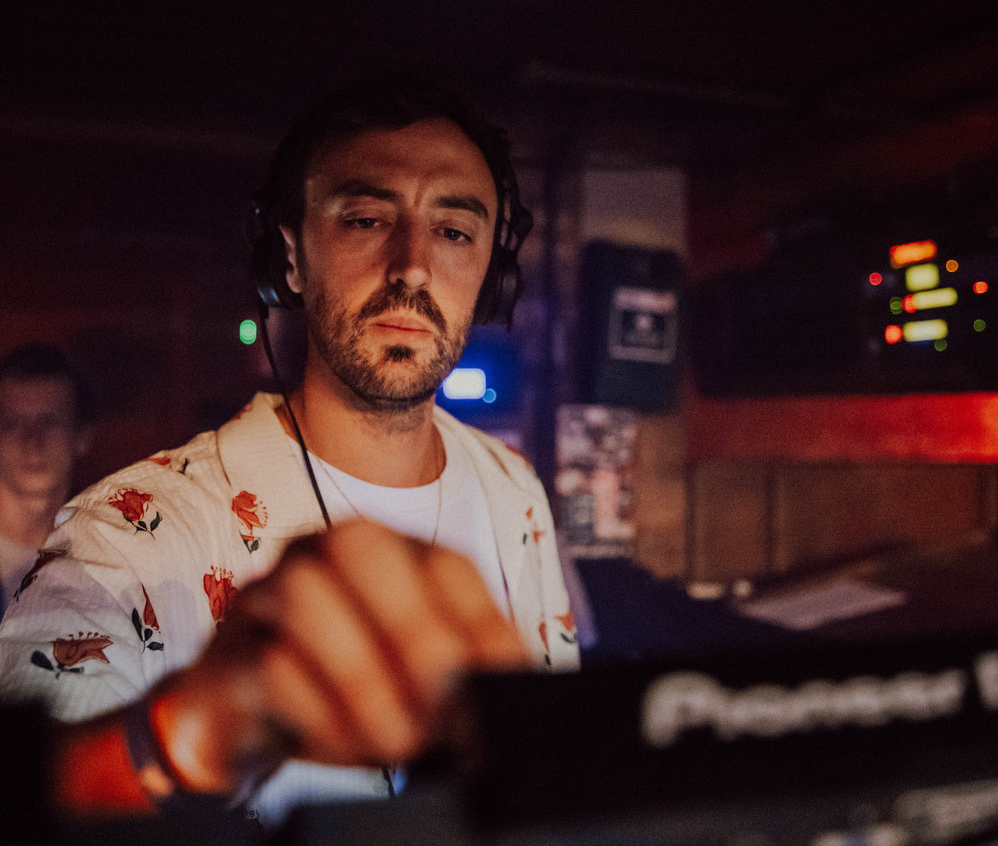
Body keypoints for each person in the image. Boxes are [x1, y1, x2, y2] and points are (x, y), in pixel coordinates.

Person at [0, 71, 578, 826]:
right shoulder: (129, 536)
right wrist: (189, 733)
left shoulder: (515, 489)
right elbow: (25, 791)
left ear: (490, 280)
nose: (412, 264)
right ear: (292, 261)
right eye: (366, 219)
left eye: (454, 232)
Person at [0, 344, 93, 616]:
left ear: (82, 436)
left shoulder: (108, 558)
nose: (32, 441)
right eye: (13, 423)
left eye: (49, 422)